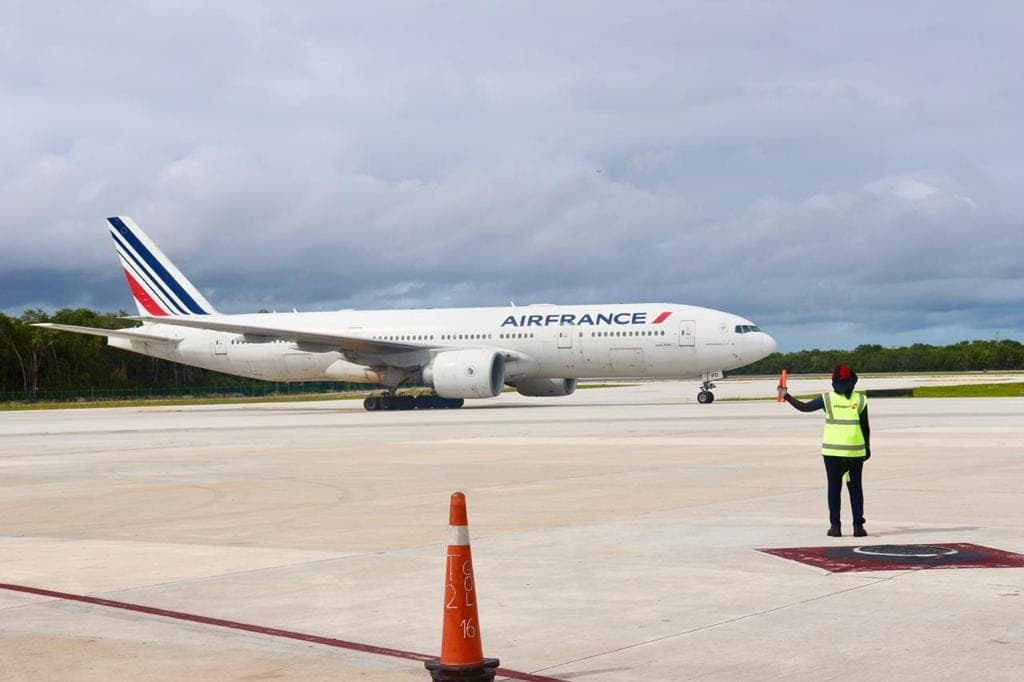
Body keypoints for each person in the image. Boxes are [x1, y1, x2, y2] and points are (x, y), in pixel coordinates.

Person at [778, 364, 871, 537]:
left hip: (833, 452)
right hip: (855, 451)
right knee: (855, 488)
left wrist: (786, 396)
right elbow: (865, 427)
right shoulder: (861, 399)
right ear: (853, 381)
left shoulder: (827, 399)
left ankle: (835, 527)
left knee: (834, 489)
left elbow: (804, 407)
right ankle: (858, 527)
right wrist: (867, 447)